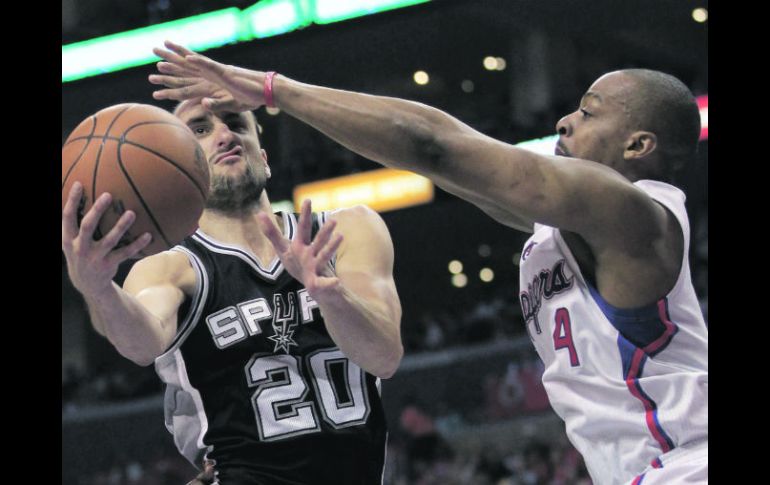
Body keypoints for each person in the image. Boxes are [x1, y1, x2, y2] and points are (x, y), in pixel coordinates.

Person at [148, 40, 708, 484]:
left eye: (588, 112)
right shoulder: (571, 227)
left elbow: (433, 146)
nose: (564, 120)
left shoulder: (631, 212)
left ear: (637, 147)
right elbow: (442, 168)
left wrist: (275, 91)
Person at [62, 94, 403, 483]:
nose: (225, 135)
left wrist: (330, 294)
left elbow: (384, 356)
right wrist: (98, 289)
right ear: (176, 167)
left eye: (236, 123)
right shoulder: (170, 267)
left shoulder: (346, 230)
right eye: (201, 130)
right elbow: (141, 344)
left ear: (265, 157)